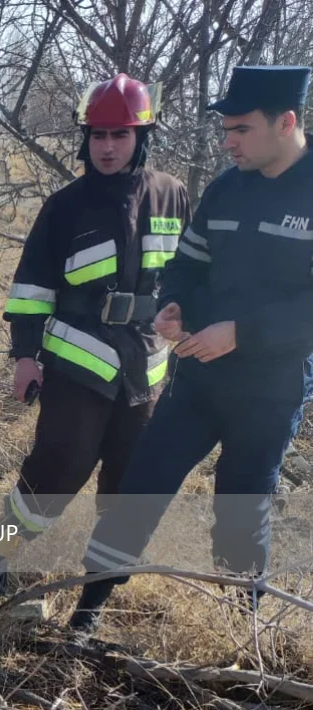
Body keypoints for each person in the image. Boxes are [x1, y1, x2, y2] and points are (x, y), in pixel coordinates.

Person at [67, 65, 313, 635]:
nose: (228, 141)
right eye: (226, 128)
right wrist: (175, 303)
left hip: (269, 389)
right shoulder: (228, 186)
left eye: (241, 129)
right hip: (198, 378)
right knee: (140, 488)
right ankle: (86, 614)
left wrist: (241, 332)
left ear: (287, 122)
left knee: (240, 512)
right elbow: (189, 262)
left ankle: (241, 637)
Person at [0, 74, 190, 559]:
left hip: (145, 365)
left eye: (120, 135)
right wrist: (24, 356)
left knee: (129, 476)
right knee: (60, 466)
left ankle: (96, 586)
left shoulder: (172, 195)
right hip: (77, 361)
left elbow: (190, 275)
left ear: (141, 137)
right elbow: (32, 287)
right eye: (98, 135)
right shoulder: (65, 206)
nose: (107, 147)